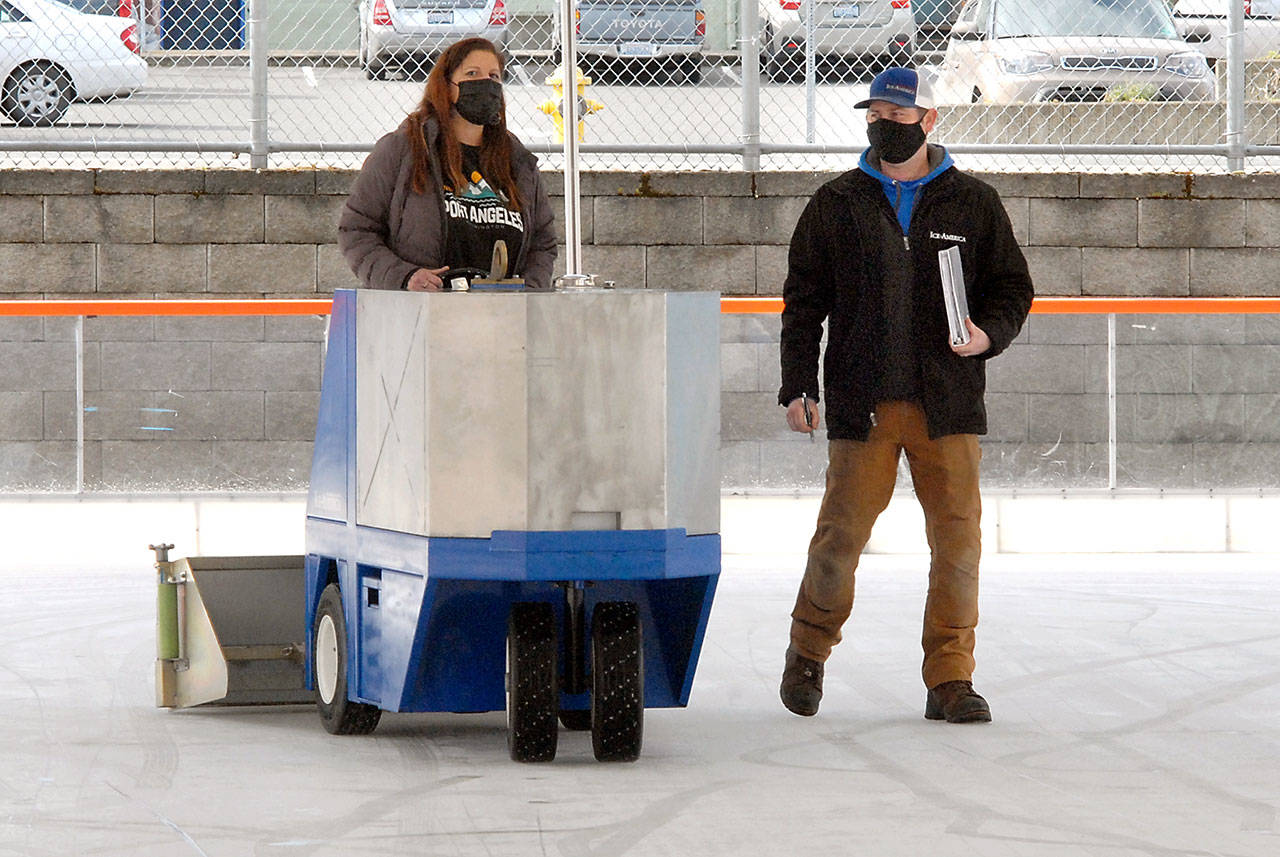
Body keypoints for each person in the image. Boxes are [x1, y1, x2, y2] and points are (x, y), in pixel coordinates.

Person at [777, 67, 1034, 724]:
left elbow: (1012, 288)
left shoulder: (973, 203)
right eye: (876, 115)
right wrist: (799, 384)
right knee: (839, 537)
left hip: (946, 408)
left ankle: (951, 675)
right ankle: (807, 652)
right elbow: (804, 304)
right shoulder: (836, 203)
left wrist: (986, 334)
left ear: (930, 120)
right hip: (863, 406)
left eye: (898, 116)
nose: (884, 125)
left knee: (957, 542)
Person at [339, 37, 557, 291]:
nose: (485, 83)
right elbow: (356, 230)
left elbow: (542, 244)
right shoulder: (403, 149)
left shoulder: (518, 162)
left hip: (503, 318)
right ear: (446, 86)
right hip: (423, 315)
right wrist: (405, 277)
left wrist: (529, 291)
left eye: (494, 76)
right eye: (472, 73)